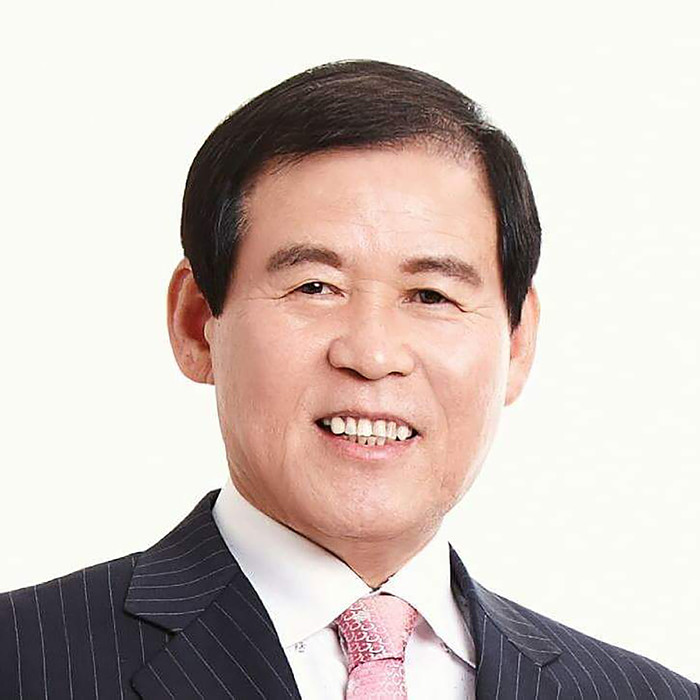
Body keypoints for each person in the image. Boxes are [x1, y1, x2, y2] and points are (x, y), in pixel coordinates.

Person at [0, 60, 696, 700]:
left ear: (517, 343)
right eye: (315, 286)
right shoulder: (22, 660)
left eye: (431, 295)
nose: (372, 353)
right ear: (195, 322)